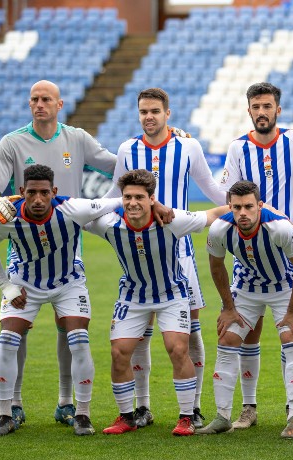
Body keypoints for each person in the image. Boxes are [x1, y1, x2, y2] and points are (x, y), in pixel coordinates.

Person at [0, 80, 117, 429]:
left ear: (60, 104)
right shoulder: (12, 142)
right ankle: (12, 404)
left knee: (68, 329)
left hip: (68, 245)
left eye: (46, 100)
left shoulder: (78, 138)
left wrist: (151, 149)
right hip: (24, 246)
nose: (39, 104)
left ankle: (66, 403)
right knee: (16, 331)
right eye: (33, 100)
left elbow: (116, 164)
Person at [103, 88, 228, 430]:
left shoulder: (188, 146)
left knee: (189, 335)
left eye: (155, 111)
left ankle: (195, 406)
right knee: (138, 333)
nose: (149, 117)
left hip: (180, 247)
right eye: (144, 111)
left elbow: (212, 188)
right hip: (141, 246)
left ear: (167, 113)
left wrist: (244, 202)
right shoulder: (128, 149)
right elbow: (115, 194)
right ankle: (141, 407)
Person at [85, 169, 228, 436]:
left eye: (139, 197)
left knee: (177, 349)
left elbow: (213, 215)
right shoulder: (108, 225)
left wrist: (253, 208)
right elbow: (76, 214)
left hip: (171, 294)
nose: (132, 203)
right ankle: (127, 417)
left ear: (152, 199)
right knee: (118, 353)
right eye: (127, 197)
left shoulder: (172, 221)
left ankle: (186, 416)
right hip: (133, 295)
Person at [218, 82, 293, 430]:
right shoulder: (238, 148)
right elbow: (228, 191)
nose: (262, 112)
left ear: (278, 110)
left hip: (288, 254)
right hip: (249, 256)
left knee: (292, 333)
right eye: (256, 106)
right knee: (249, 333)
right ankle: (249, 408)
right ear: (249, 110)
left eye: (267, 106)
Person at [197, 180, 293, 439]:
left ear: (260, 205)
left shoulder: (279, 227)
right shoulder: (219, 229)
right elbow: (216, 267)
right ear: (230, 206)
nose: (242, 213)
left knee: (291, 337)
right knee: (227, 337)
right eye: (237, 207)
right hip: (247, 288)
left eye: (248, 206)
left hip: (284, 286)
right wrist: (227, 307)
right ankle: (222, 416)